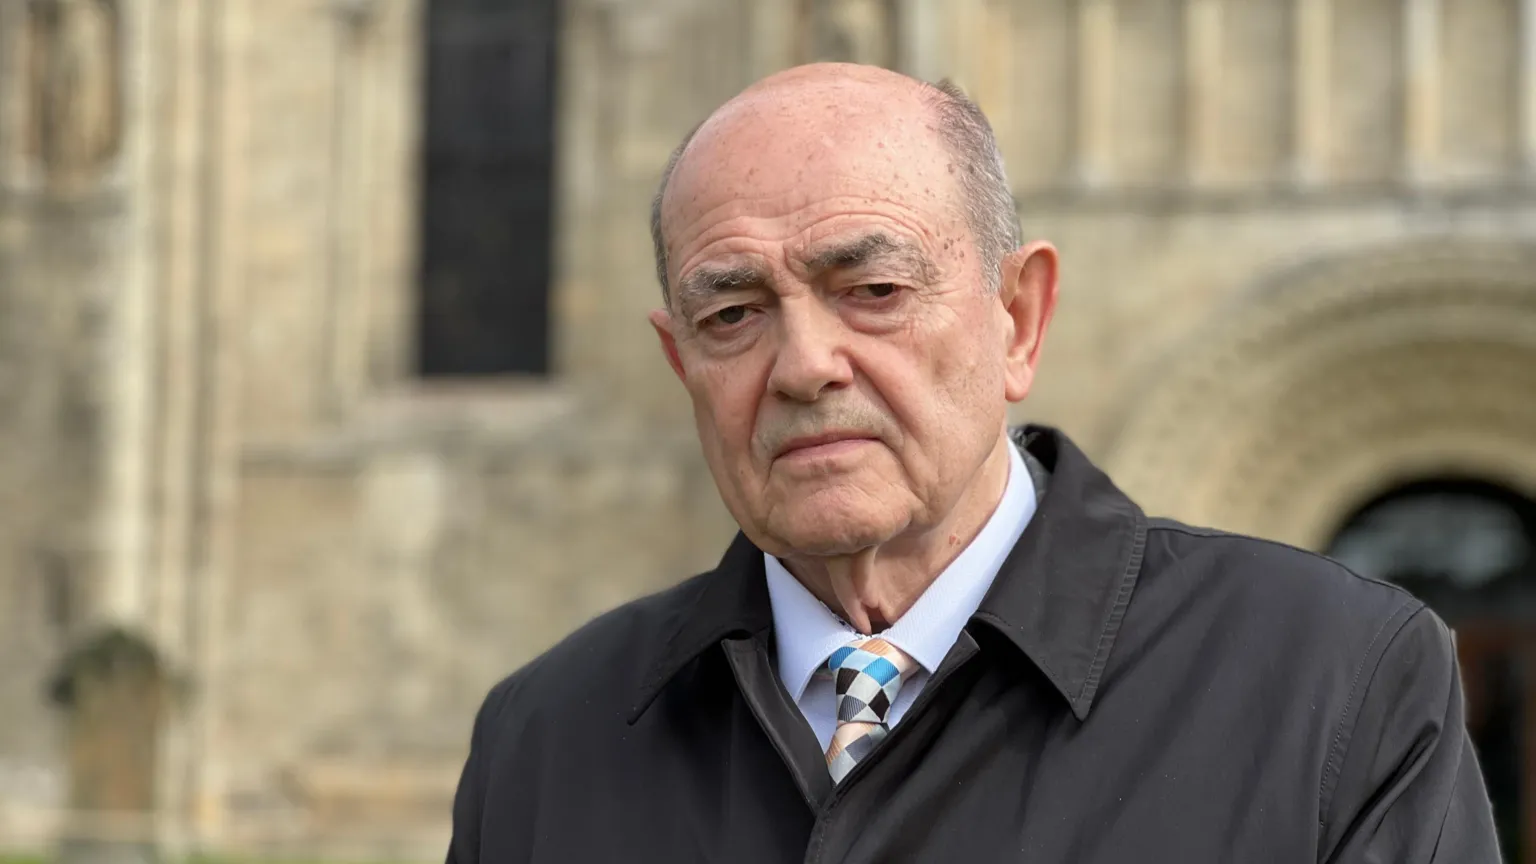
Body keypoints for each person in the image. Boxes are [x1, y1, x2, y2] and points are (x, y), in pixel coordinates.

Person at [445, 63, 1500, 863]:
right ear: (683, 366)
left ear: (1018, 319)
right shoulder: (549, 735)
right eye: (733, 313)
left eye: (875, 291)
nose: (806, 365)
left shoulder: (1335, 681)